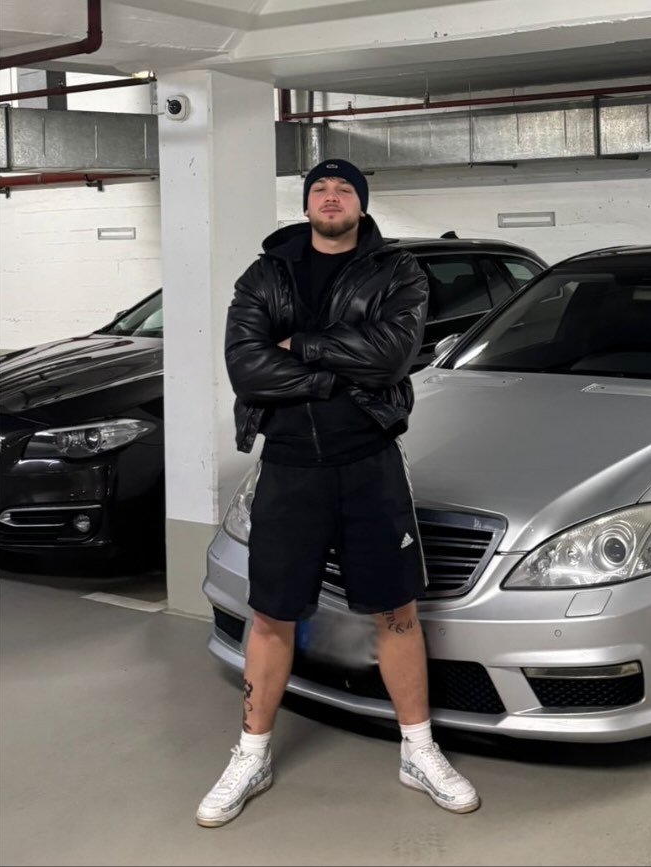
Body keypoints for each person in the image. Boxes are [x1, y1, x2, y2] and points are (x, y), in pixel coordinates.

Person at [196, 158, 480, 827]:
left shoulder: (398, 271)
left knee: (396, 611)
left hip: (368, 463)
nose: (330, 197)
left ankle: (418, 750)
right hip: (288, 465)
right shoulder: (266, 275)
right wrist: (334, 375)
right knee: (271, 613)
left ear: (361, 203)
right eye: (319, 189)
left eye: (343, 188)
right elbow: (246, 367)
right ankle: (251, 754)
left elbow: (391, 356)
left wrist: (298, 345)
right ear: (305, 205)